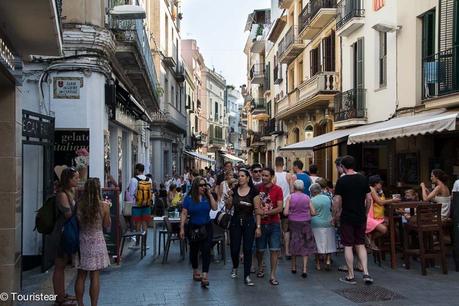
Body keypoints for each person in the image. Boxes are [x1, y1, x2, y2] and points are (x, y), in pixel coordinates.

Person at [332, 155, 374, 285]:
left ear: (343, 167)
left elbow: (337, 200)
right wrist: (366, 212)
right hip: (360, 215)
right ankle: (366, 273)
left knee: (348, 245)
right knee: (360, 244)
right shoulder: (363, 179)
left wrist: (336, 215)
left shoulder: (342, 181)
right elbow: (369, 199)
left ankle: (350, 275)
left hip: (347, 216)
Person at [75, 178, 111, 306]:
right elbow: (107, 225)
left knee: (81, 274)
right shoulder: (104, 206)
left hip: (83, 240)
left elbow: (78, 223)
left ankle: (80, 304)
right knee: (95, 275)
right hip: (97, 240)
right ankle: (94, 304)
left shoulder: (79, 204)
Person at [179, 177, 218, 288]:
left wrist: (210, 195)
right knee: (194, 251)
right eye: (201, 185)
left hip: (206, 226)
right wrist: (182, 228)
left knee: (206, 251)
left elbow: (215, 208)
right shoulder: (189, 198)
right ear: (196, 186)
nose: (203, 187)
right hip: (193, 227)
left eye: (204, 185)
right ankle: (195, 270)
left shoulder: (207, 197)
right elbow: (184, 213)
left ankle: (205, 275)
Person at [226, 169, 262, 286]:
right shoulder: (234, 190)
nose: (240, 178)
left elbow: (257, 210)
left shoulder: (254, 192)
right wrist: (229, 197)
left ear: (247, 178)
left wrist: (258, 226)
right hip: (235, 222)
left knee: (247, 249)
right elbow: (229, 207)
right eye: (239, 176)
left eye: (242, 176)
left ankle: (247, 275)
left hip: (248, 222)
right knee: (234, 249)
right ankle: (235, 267)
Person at [52, 167, 80, 305]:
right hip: (62, 232)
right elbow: (67, 214)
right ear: (68, 179)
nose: (78, 180)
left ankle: (62, 293)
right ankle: (59, 297)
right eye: (75, 178)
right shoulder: (62, 194)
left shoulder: (71, 192)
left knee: (62, 264)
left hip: (68, 231)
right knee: (59, 264)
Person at [283, 180, 317, 278]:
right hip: (305, 222)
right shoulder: (307, 197)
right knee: (305, 244)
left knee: (294, 242)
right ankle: (304, 269)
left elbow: (285, 213)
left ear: (294, 187)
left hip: (293, 223)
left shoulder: (290, 197)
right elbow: (313, 212)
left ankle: (293, 267)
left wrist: (293, 212)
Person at [256, 167, 283, 285]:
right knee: (260, 250)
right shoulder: (257, 188)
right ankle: (260, 265)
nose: (264, 177)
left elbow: (279, 208)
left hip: (274, 223)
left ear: (271, 177)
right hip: (261, 224)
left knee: (274, 250)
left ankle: (272, 274)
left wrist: (266, 213)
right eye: (263, 175)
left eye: (266, 175)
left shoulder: (278, 189)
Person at [366, 175, 400, 250]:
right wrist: (392, 200)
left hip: (377, 216)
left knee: (389, 222)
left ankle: (371, 238)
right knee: (384, 229)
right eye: (380, 183)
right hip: (370, 216)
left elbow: (382, 200)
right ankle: (371, 240)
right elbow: (380, 202)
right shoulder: (371, 189)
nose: (381, 185)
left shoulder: (378, 191)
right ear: (375, 184)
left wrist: (381, 192)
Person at [310, 183, 336, 271]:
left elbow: (310, 212)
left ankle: (317, 264)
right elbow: (332, 209)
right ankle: (328, 260)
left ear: (313, 192)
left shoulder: (312, 200)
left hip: (316, 223)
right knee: (329, 242)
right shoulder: (328, 198)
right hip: (328, 222)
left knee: (316, 244)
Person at [273, 157, 294, 259]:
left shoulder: (273, 176)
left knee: (277, 229)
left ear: (275, 163)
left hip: (277, 206)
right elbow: (292, 190)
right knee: (286, 230)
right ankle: (287, 251)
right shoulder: (288, 175)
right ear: (284, 164)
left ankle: (279, 253)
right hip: (286, 205)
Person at [127, 163, 152, 246]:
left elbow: (131, 193)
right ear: (143, 170)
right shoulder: (149, 179)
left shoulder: (133, 180)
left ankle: (137, 243)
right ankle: (144, 243)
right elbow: (150, 191)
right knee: (145, 224)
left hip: (136, 205)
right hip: (146, 205)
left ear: (137, 170)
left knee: (138, 223)